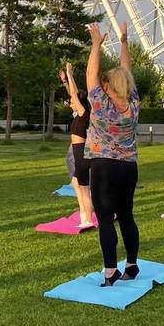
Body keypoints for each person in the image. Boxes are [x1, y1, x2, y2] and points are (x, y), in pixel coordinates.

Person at [85, 22, 140, 287]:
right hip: (129, 167)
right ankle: (131, 264)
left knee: (106, 219)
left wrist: (96, 45)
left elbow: (91, 74)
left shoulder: (100, 104)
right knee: (127, 215)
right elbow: (126, 71)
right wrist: (124, 42)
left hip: (105, 167)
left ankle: (110, 271)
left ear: (108, 86)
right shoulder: (133, 104)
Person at [59, 62, 94, 227]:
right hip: (78, 151)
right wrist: (66, 81)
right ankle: (83, 215)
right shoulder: (81, 114)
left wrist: (70, 75)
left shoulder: (84, 114)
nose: (70, 103)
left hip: (81, 154)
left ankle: (87, 219)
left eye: (73, 101)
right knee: (77, 185)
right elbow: (74, 94)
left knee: (84, 189)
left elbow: (74, 93)